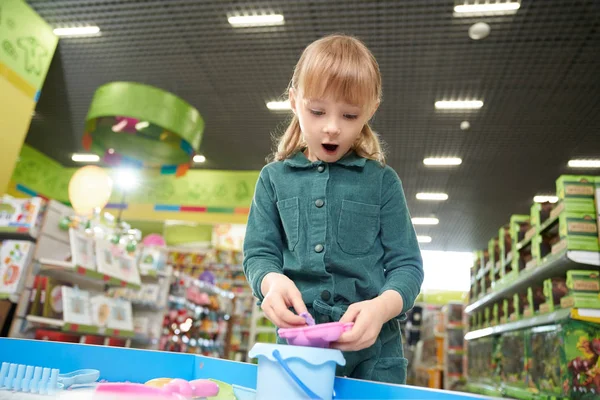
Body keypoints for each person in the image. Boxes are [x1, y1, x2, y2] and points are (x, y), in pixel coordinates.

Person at [243, 34, 424, 384]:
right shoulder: (272, 180)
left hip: (376, 357)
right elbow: (258, 254)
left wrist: (381, 307)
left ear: (370, 111)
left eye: (350, 114)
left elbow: (407, 266)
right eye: (317, 111)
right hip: (300, 353)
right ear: (294, 101)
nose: (332, 126)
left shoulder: (383, 182)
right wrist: (269, 282)